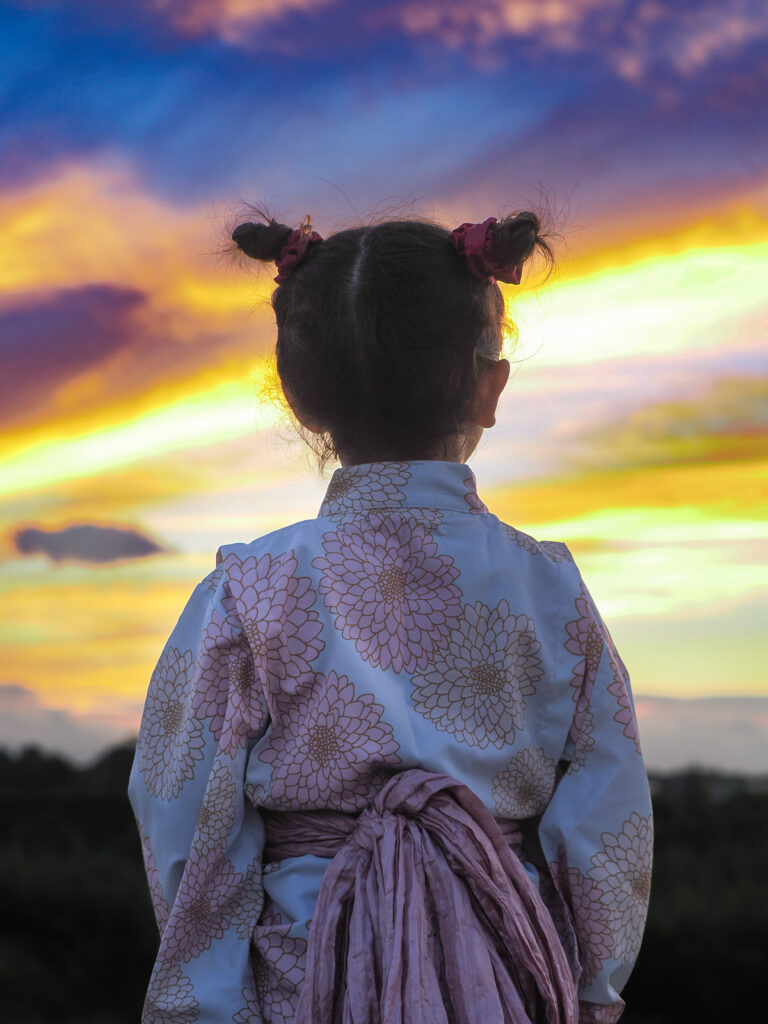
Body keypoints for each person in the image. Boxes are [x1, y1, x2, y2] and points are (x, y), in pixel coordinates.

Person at [128, 208, 653, 1024]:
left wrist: (205, 1003)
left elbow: (185, 815)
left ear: (299, 396)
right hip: (505, 978)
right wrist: (592, 988)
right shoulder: (550, 589)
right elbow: (606, 815)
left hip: (303, 981)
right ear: (491, 387)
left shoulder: (251, 588)